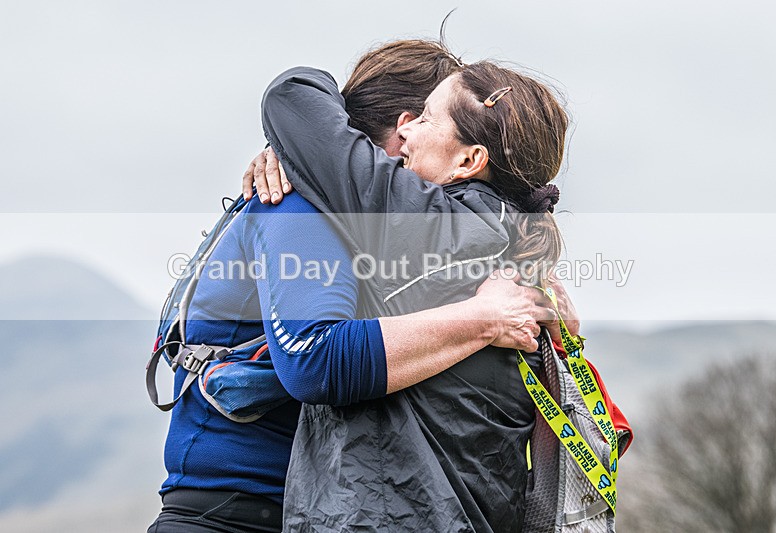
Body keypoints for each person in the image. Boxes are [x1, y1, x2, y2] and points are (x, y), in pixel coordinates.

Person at [147, 40, 559, 533]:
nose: (412, 139)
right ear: (396, 126)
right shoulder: (298, 206)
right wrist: (481, 319)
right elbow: (315, 360)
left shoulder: (421, 236)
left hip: (307, 506)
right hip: (234, 509)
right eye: (420, 118)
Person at [259, 58, 631, 531]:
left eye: (427, 117)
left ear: (468, 161)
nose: (406, 129)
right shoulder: (512, 242)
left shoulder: (429, 223)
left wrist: (283, 149)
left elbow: (290, 96)